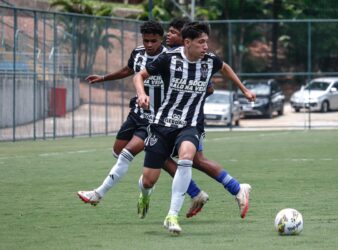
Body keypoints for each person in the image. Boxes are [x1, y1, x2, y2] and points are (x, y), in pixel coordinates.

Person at [134, 21, 256, 234]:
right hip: (162, 124)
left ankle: (172, 215)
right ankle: (144, 194)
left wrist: (244, 89)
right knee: (148, 180)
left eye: (206, 42)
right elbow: (139, 76)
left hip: (190, 125)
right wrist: (142, 94)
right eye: (201, 42)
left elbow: (225, 68)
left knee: (187, 157)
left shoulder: (210, 61)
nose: (206, 46)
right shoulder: (169, 59)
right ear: (187, 42)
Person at [77, 20, 208, 218]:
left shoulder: (170, 58)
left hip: (156, 119)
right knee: (120, 152)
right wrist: (103, 78)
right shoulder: (138, 53)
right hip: (136, 114)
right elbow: (128, 71)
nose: (149, 44)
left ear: (161, 39)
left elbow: (200, 83)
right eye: (146, 40)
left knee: (127, 154)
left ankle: (98, 194)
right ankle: (185, 192)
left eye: (153, 41)